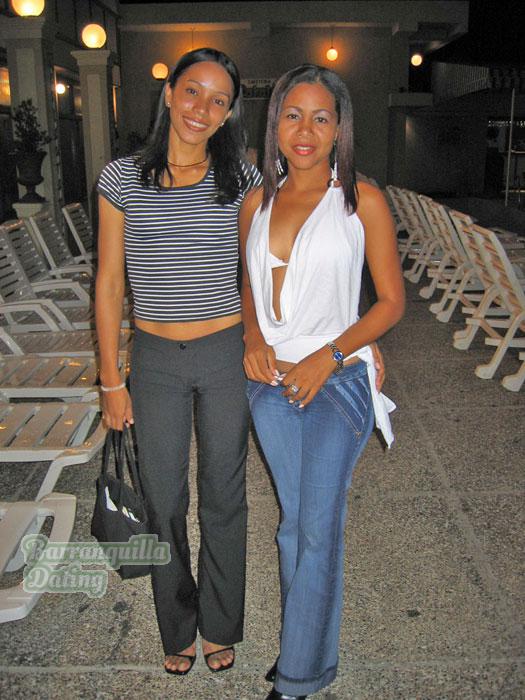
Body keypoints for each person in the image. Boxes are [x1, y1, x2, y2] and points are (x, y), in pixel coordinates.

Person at [239, 64, 405, 699]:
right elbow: (247, 285)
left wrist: (331, 355)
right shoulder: (256, 202)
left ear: (339, 130)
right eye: (293, 115)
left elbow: (390, 302)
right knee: (293, 525)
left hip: (337, 382)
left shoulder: (362, 201)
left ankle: (298, 678)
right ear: (275, 124)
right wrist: (253, 338)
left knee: (317, 528)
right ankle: (305, 646)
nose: (305, 130)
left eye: (320, 118)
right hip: (269, 382)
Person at [95, 48, 262, 676]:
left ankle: (220, 623)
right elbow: (109, 283)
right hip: (156, 358)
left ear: (228, 113)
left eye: (219, 100)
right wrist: (111, 379)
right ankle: (177, 623)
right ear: (169, 94)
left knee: (224, 494)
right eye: (193, 91)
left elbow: (258, 271)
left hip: (223, 354)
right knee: (163, 497)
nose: (202, 108)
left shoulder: (241, 179)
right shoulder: (121, 179)